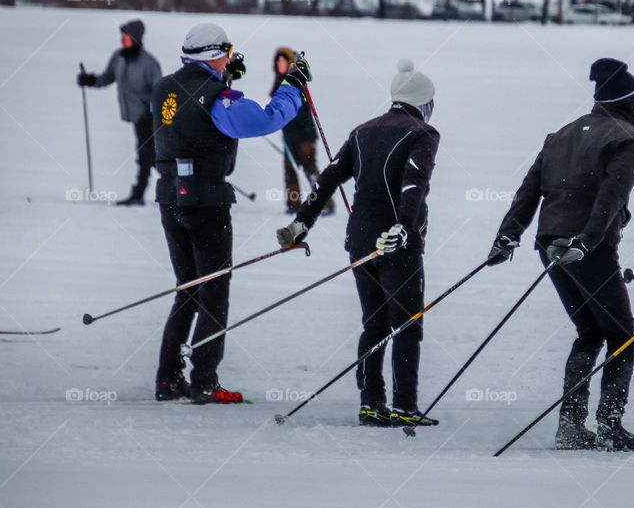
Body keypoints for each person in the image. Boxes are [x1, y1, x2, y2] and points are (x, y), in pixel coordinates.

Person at [488, 58, 634, 452]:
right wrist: (588, 240)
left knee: (589, 332)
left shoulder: (561, 134)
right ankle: (609, 426)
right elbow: (611, 195)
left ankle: (571, 426)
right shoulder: (627, 139)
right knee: (622, 337)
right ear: (629, 101)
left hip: (549, 244)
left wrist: (507, 236)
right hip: (584, 249)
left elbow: (529, 190)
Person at [276, 59, 440, 428]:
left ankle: (371, 403)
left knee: (375, 323)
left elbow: (328, 178)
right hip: (396, 242)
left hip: (360, 240)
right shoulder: (422, 134)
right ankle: (404, 407)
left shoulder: (363, 130)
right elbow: (416, 183)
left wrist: (302, 222)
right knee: (406, 324)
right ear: (426, 102)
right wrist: (402, 226)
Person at [151, 23, 307, 404]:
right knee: (214, 290)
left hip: (169, 197)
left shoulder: (163, 87)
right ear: (214, 54)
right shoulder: (219, 99)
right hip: (206, 202)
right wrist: (293, 87)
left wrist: (224, 78)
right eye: (227, 52)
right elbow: (266, 119)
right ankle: (204, 381)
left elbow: (190, 104)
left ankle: (168, 380)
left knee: (187, 289)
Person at [77, 19, 161, 205]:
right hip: (134, 115)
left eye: (127, 37)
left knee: (146, 155)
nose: (123, 40)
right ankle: (178, 185)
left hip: (149, 117)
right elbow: (107, 78)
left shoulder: (149, 64)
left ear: (137, 39)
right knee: (150, 156)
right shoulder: (119, 57)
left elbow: (161, 93)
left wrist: (152, 113)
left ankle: (140, 194)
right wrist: (90, 80)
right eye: (122, 37)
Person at [270, 47, 334, 215]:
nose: (280, 65)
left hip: (304, 134)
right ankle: (294, 205)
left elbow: (298, 109)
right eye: (278, 62)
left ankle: (324, 203)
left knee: (310, 169)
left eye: (283, 62)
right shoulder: (280, 82)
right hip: (290, 135)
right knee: (291, 171)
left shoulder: (294, 81)